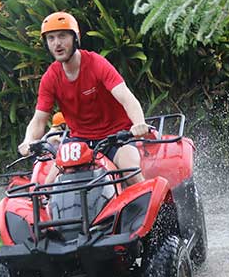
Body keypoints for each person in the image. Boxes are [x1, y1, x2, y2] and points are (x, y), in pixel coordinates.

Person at [18, 11, 150, 185]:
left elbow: (127, 98)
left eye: (62, 36)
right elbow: (39, 120)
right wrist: (28, 141)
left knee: (130, 171)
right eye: (51, 38)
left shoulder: (96, 63)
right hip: (79, 142)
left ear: (75, 38)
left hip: (116, 137)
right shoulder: (50, 77)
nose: (57, 43)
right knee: (47, 189)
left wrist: (138, 123)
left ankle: (155, 211)